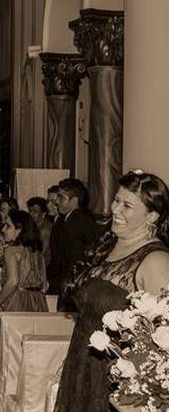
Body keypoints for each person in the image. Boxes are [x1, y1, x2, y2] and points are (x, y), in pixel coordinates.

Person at [54, 171, 169, 412]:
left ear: (152, 216)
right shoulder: (106, 246)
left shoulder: (156, 260)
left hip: (116, 378)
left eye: (127, 205)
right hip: (81, 364)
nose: (115, 210)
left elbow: (162, 339)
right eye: (116, 200)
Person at [0, 210, 49, 361]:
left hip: (17, 301)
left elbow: (13, 281)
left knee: (10, 350)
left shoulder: (12, 250)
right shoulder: (36, 250)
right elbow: (45, 283)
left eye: (8, 226)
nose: (3, 229)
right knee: (32, 350)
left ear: (19, 230)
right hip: (39, 302)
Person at [56, 178, 97, 310]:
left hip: (75, 285)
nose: (57, 201)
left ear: (74, 201)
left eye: (61, 198)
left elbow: (73, 258)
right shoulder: (73, 220)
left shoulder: (76, 222)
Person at [46, 185, 65, 294]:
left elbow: (58, 256)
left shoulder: (62, 224)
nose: (49, 205)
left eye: (53, 202)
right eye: (48, 201)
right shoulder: (56, 222)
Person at [27, 196, 52, 268]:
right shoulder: (31, 225)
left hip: (43, 265)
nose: (31, 214)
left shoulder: (45, 228)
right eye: (30, 211)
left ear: (43, 213)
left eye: (35, 211)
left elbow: (43, 252)